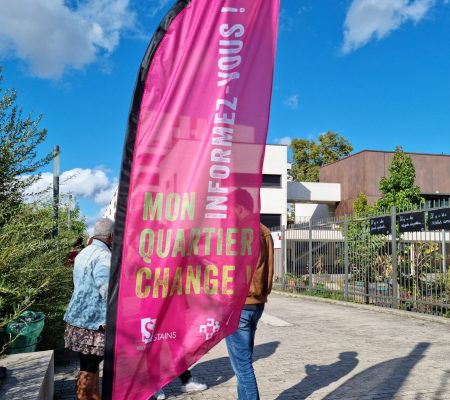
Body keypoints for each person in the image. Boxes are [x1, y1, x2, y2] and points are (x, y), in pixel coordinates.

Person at [225, 189, 274, 400]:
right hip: (257, 304)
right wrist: (263, 293)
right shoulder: (263, 230)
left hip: (239, 304)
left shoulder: (237, 232)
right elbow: (270, 269)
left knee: (242, 366)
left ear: (238, 206)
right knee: (243, 361)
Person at [64, 218, 114, 400]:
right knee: (89, 367)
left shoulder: (84, 253)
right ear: (111, 236)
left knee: (88, 365)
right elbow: (106, 287)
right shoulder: (104, 256)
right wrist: (115, 312)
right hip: (95, 322)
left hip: (78, 318)